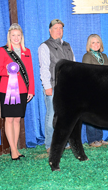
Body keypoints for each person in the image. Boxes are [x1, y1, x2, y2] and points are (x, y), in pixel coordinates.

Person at [0, 23, 35, 160]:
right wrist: (7, 71)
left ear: (21, 36)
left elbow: (30, 72)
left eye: (18, 35)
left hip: (23, 90)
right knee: (9, 119)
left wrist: (31, 90)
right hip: (7, 90)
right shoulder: (3, 50)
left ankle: (16, 148)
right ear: (9, 36)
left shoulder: (27, 51)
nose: (16, 38)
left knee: (17, 119)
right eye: (13, 35)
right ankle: (13, 150)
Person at [38, 19, 75, 153]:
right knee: (52, 115)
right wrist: (47, 86)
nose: (59, 30)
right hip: (54, 86)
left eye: (61, 28)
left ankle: (64, 143)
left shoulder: (67, 46)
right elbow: (44, 68)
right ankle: (49, 144)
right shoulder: (44, 46)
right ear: (50, 30)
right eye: (56, 28)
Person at [82, 34, 108, 147]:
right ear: (89, 45)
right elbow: (86, 74)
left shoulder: (105, 56)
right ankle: (92, 140)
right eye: (93, 42)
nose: (96, 44)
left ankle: (99, 138)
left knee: (100, 115)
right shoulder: (87, 56)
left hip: (103, 90)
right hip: (91, 90)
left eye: (97, 42)